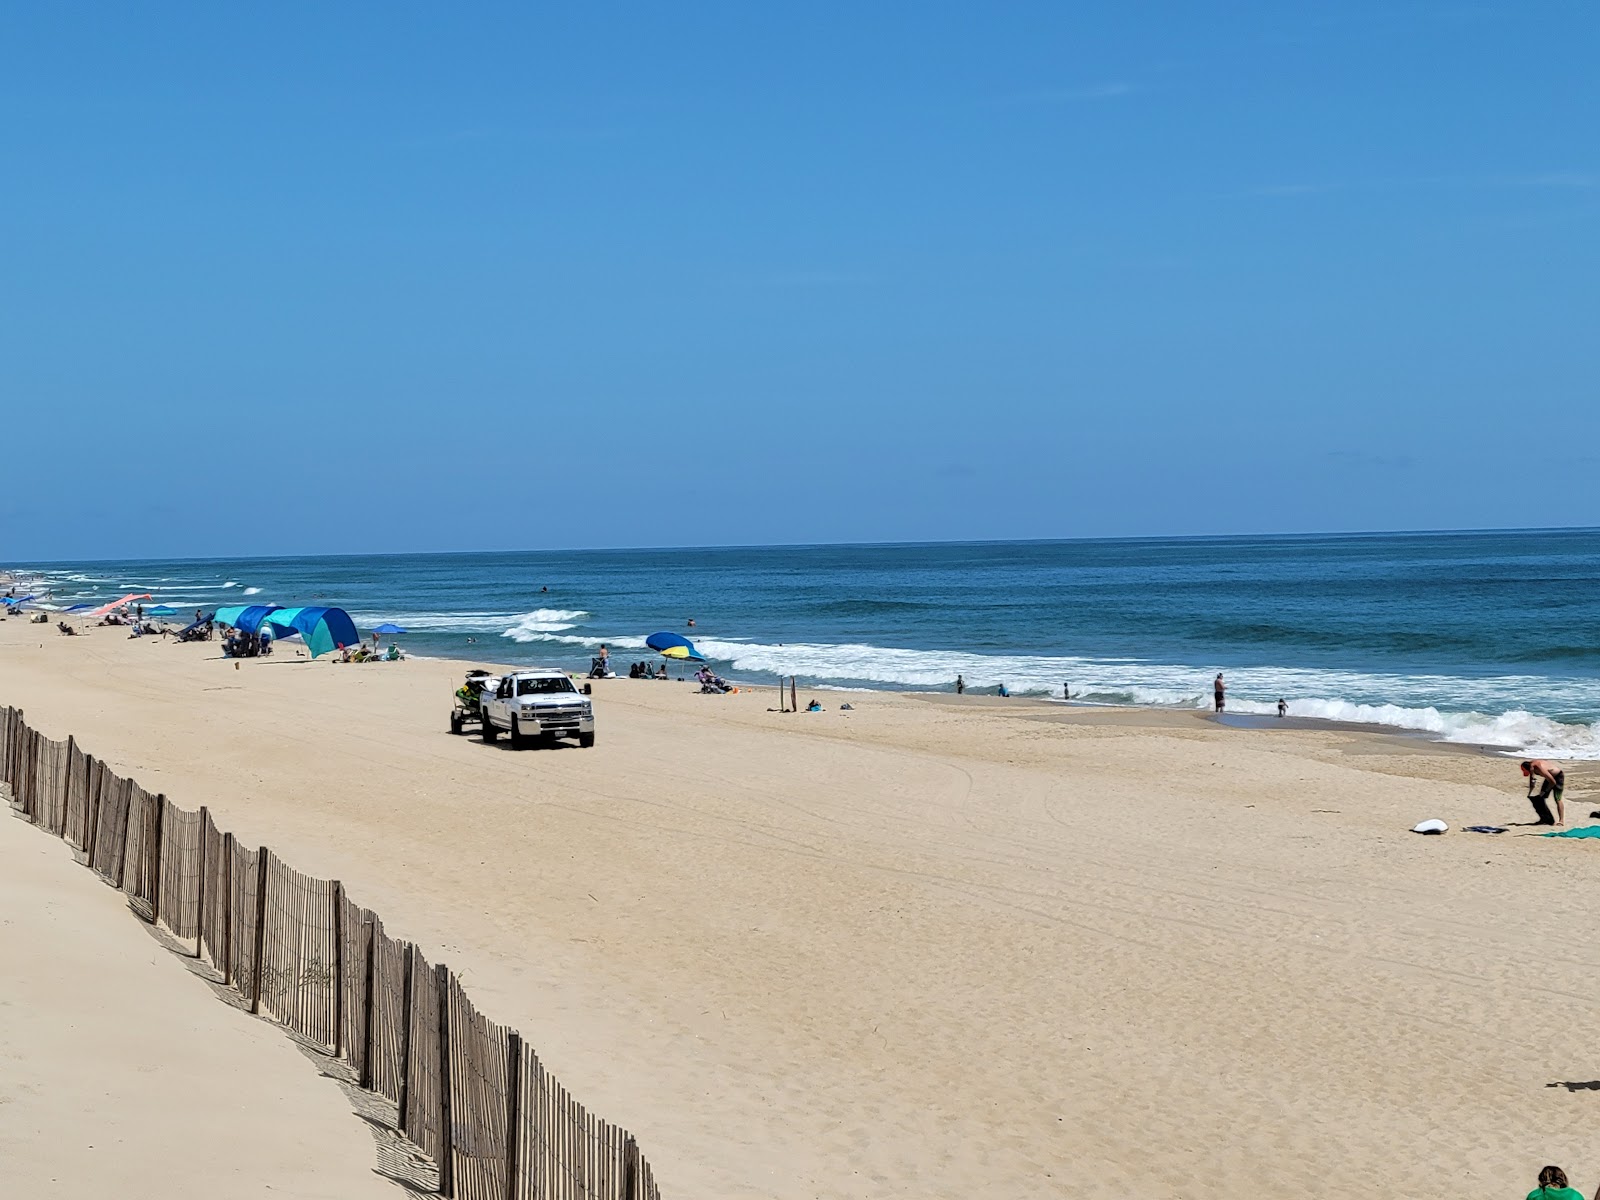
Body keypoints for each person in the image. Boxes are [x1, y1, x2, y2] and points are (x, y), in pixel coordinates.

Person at [1522, 759, 1566, 826]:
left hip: (1557, 776)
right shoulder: (1532, 766)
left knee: (1557, 798)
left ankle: (1561, 821)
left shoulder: (1539, 768)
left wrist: (1545, 791)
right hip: (1549, 778)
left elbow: (1553, 782)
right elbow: (1532, 781)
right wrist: (1530, 792)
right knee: (1540, 798)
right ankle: (1544, 819)